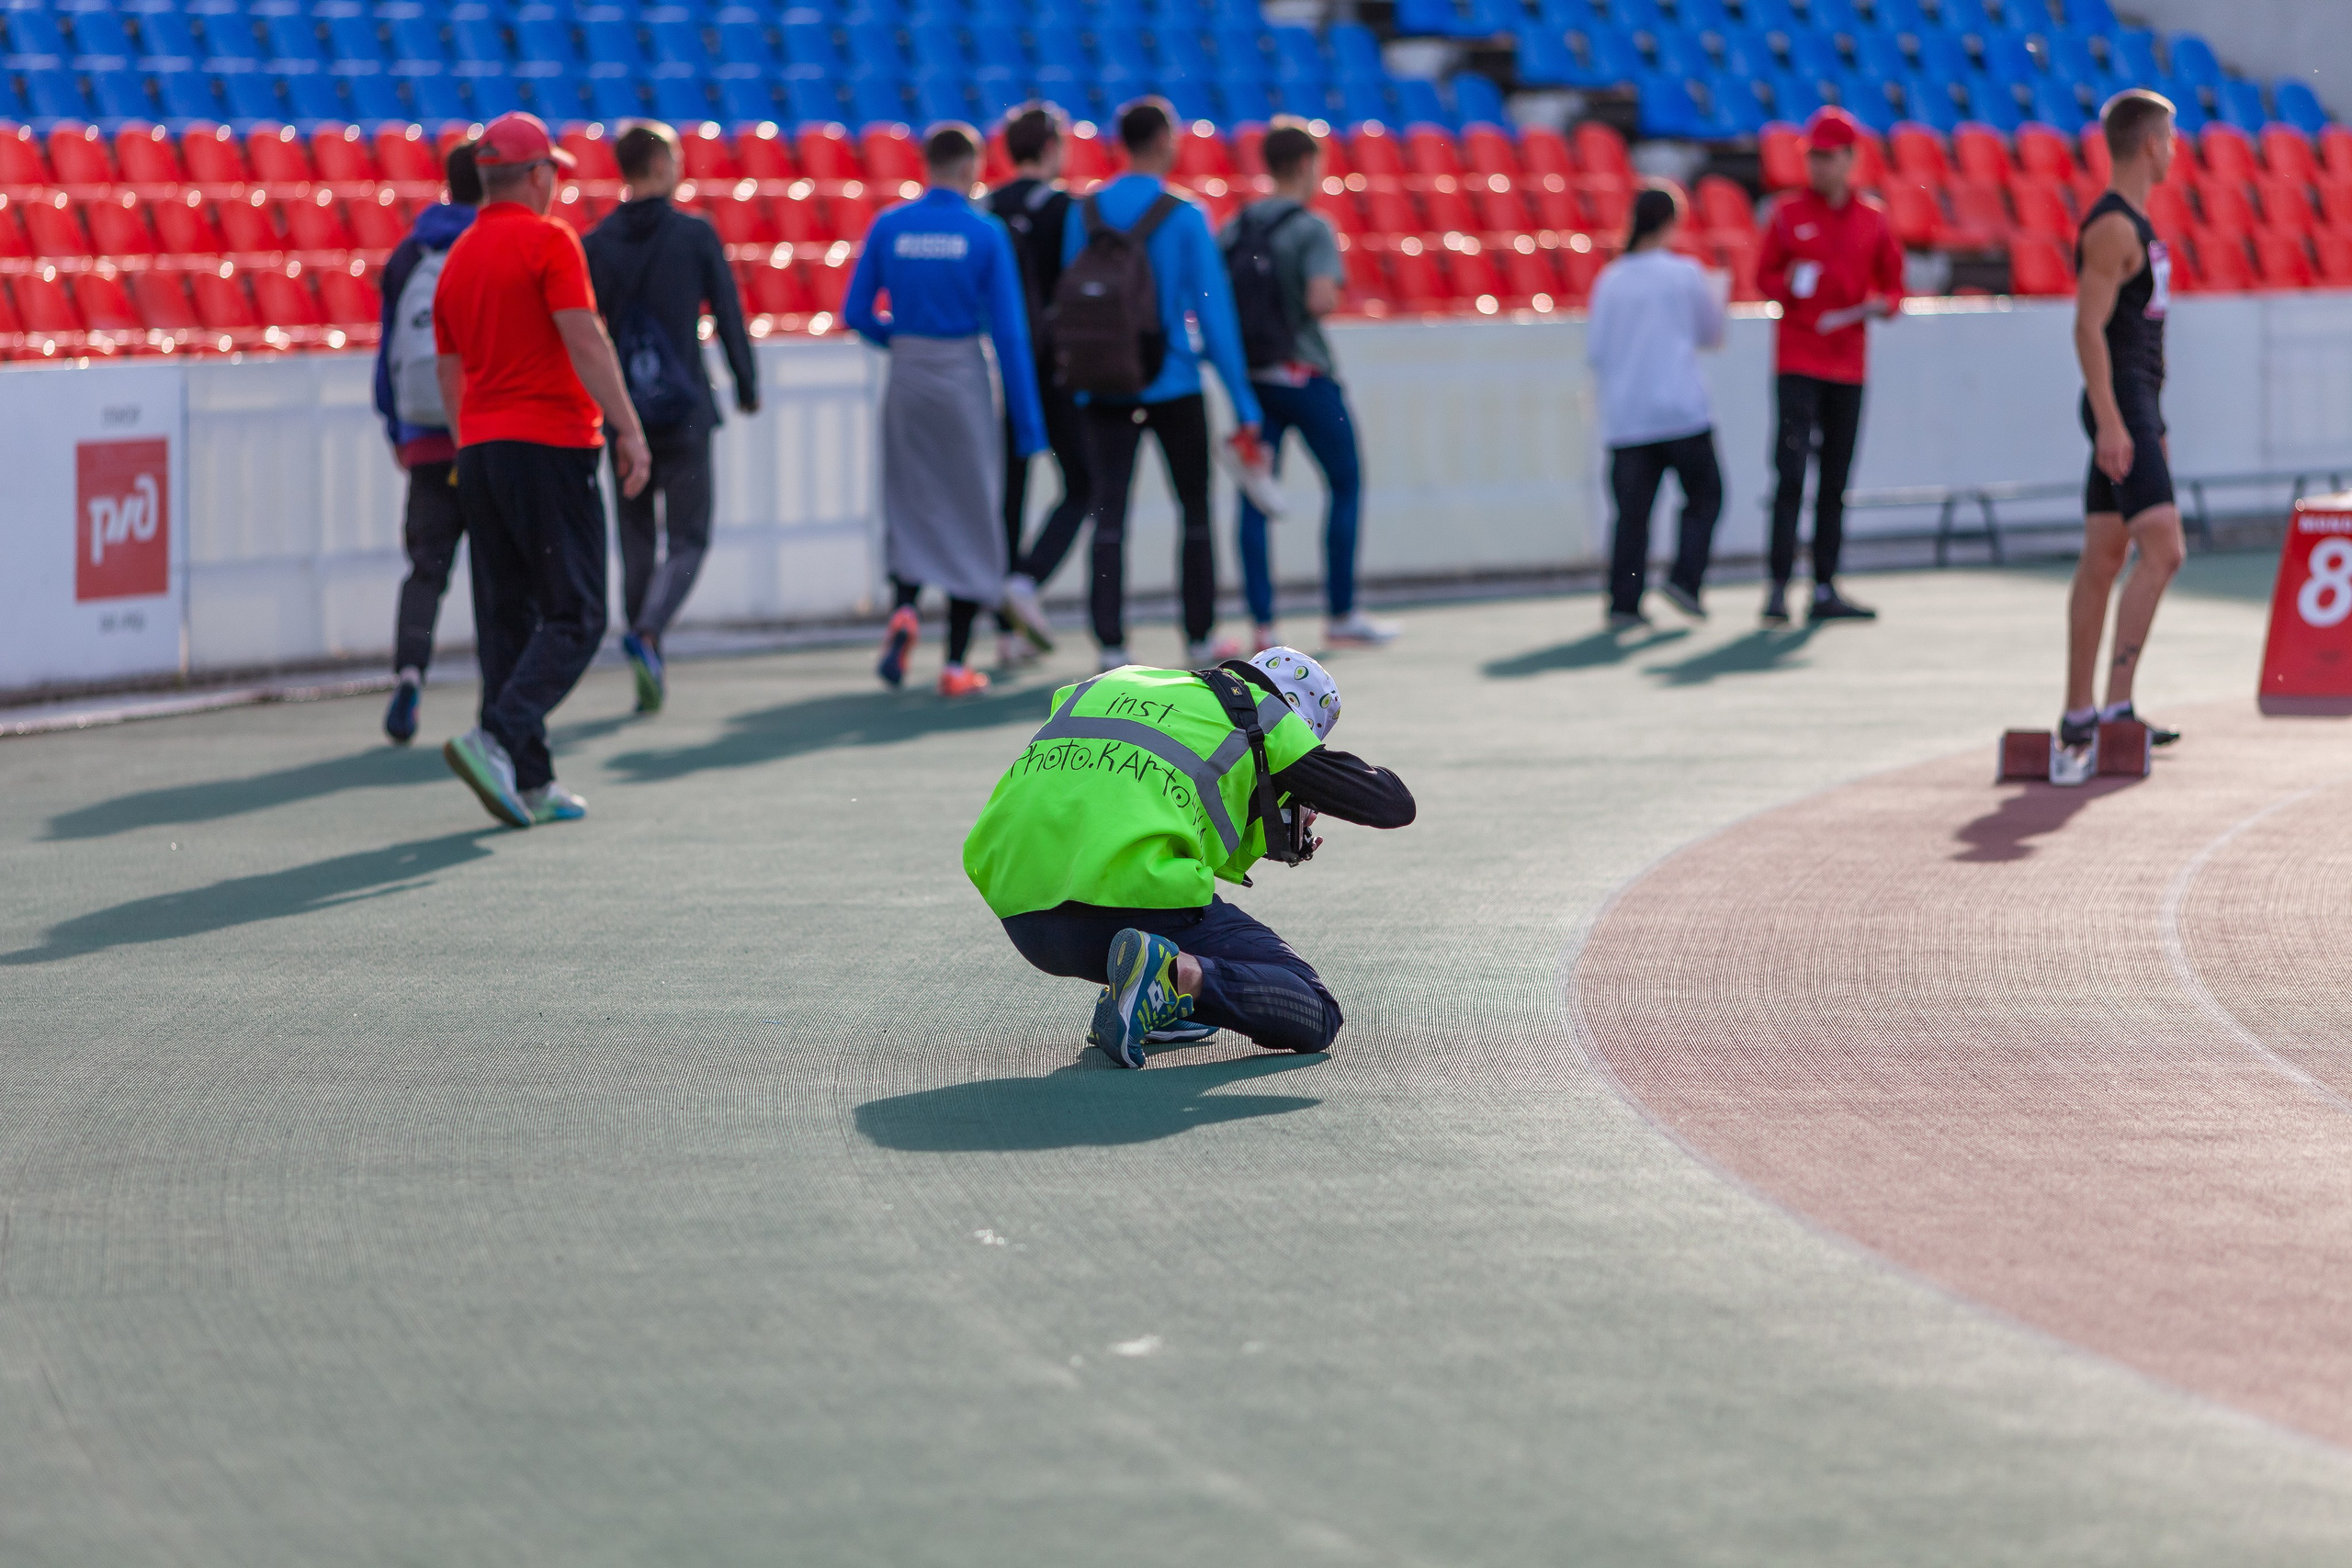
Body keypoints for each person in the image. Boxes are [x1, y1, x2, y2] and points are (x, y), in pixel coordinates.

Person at [962, 646, 1415, 1067]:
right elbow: (1392, 804)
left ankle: (1149, 994)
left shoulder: (1118, 682)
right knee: (1316, 1011)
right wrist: (1307, 775)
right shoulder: (1267, 716)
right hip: (1127, 904)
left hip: (1023, 917)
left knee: (1180, 926)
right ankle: (1174, 977)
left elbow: (1146, 797)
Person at [433, 110, 651, 829]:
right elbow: (584, 339)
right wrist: (628, 427)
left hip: (482, 448)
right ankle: (496, 737)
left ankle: (531, 778)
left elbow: (449, 367)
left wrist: (470, 447)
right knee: (577, 613)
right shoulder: (549, 240)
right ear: (535, 175)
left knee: (507, 617)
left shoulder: (459, 256)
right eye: (552, 169)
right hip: (549, 444)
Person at [1057, 96, 1263, 671]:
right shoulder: (1186, 213)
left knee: (1108, 517)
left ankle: (1110, 644)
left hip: (1101, 386)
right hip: (1173, 383)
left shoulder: (1086, 211)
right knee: (1194, 510)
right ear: (1164, 140)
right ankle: (1198, 638)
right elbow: (1214, 315)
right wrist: (1243, 401)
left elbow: (1072, 305)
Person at [844, 121, 1047, 697]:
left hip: (907, 375)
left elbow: (856, 311)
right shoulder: (984, 233)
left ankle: (905, 609)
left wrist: (901, 344)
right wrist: (1028, 425)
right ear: (971, 167)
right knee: (971, 511)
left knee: (908, 501)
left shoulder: (890, 226)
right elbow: (1009, 334)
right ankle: (956, 664)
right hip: (961, 375)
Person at [582, 119, 760, 715]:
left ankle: (644, 648)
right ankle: (650, 632)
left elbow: (585, 334)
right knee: (688, 537)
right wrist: (746, 384)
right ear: (659, 165)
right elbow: (729, 316)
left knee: (636, 539)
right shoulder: (694, 234)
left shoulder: (597, 242)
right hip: (684, 409)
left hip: (622, 411)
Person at [1220, 118, 1396, 652]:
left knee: (1256, 498)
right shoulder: (1312, 226)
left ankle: (1263, 626)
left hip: (1255, 378)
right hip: (1306, 374)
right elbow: (1320, 299)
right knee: (1345, 484)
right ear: (1304, 164)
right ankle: (1341, 613)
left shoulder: (1235, 225)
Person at [2055, 88, 2187, 782]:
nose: (2176, 150)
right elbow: (2087, 328)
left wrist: (2146, 422)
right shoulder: (2113, 228)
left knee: (2106, 555)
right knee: (2164, 548)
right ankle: (2114, 707)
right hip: (2122, 401)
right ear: (2148, 143)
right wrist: (2113, 420)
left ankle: (2081, 712)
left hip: (2138, 403)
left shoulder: (2137, 223)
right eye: (2170, 138)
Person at [1755, 105, 1905, 626]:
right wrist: (1793, 282)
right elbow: (1764, 277)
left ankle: (1823, 586)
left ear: (1850, 158)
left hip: (1847, 367)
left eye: (1826, 156)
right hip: (1798, 360)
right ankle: (1777, 587)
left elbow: (1893, 285)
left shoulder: (1873, 219)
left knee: (1834, 482)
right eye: (1812, 157)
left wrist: (1882, 304)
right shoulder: (1788, 215)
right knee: (1791, 475)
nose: (1817, 166)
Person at [373, 138, 479, 745]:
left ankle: (410, 671)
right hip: (484, 436)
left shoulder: (410, 253)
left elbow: (387, 349)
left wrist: (397, 427)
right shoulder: (490, 244)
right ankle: (502, 702)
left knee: (425, 569)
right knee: (499, 570)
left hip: (425, 440)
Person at [1586, 181, 1729, 629]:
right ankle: (1686, 577)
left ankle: (1624, 601)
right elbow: (1711, 333)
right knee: (1705, 496)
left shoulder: (1610, 279)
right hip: (1681, 411)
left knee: (1631, 517)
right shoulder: (1684, 274)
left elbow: (1597, 351)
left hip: (1629, 416)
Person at [984, 103, 1086, 669]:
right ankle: (1028, 578)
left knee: (1009, 495)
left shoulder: (988, 207)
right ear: (1050, 149)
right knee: (1083, 483)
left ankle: (1006, 632)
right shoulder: (1064, 207)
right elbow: (1072, 286)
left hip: (996, 363)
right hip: (1052, 365)